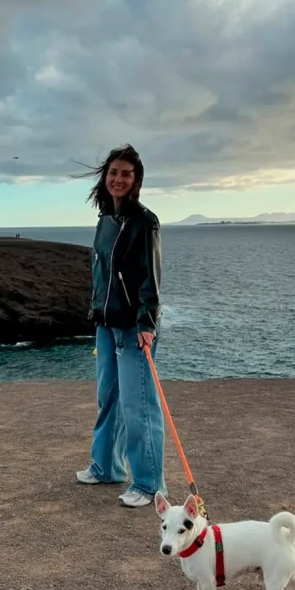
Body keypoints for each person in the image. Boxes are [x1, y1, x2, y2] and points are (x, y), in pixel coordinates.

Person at [75, 144, 166, 508]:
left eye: (126, 174)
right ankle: (107, 467)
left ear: (136, 180)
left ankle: (147, 484)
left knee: (138, 405)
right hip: (106, 322)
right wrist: (97, 311)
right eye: (114, 172)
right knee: (108, 397)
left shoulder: (146, 222)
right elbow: (102, 274)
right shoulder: (105, 220)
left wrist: (146, 321)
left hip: (134, 327)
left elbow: (150, 278)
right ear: (106, 176)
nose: (118, 179)